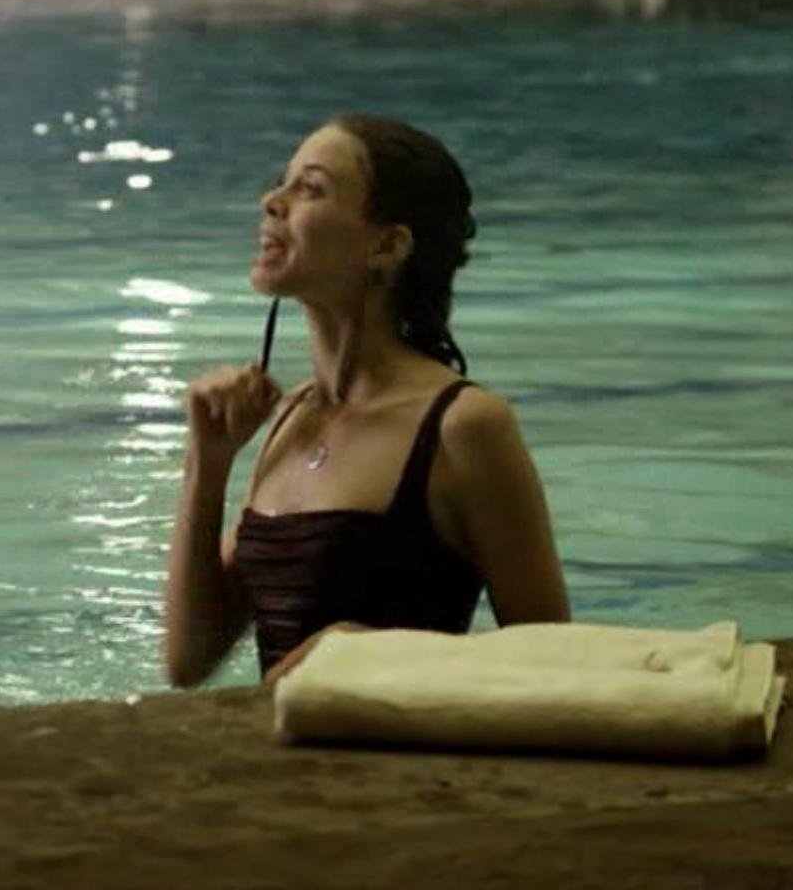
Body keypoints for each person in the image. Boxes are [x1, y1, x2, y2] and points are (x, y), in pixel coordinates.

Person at [162, 116, 569, 689]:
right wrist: (207, 465)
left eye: (311, 188)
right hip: (284, 743)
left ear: (387, 245)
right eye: (282, 182)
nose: (271, 201)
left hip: (403, 746)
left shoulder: (462, 426)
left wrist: (375, 654)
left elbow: (552, 659)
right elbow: (188, 662)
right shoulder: (289, 419)